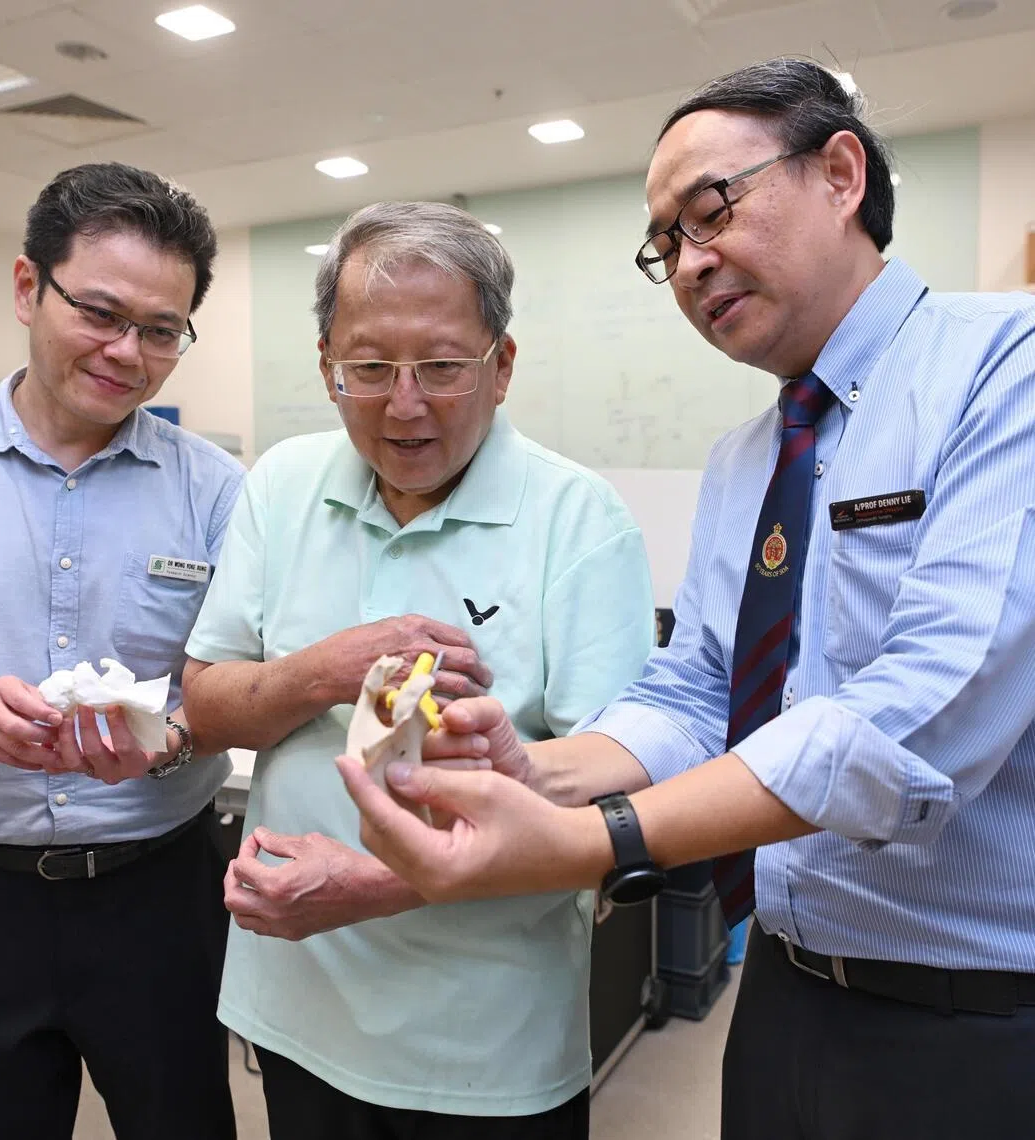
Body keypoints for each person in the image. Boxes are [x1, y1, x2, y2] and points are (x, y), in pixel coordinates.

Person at [339, 58, 1035, 1140]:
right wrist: (539, 773)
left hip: (979, 1024)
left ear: (841, 172)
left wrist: (595, 840)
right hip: (789, 992)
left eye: (711, 210)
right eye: (665, 244)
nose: (690, 263)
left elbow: (921, 719)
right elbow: (701, 685)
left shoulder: (1006, 369)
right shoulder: (747, 458)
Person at [182, 201, 654, 1139]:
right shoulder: (280, 485)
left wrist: (380, 882)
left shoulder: (580, 520)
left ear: (502, 366)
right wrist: (326, 671)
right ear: (327, 368)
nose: (404, 403)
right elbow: (206, 706)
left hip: (485, 1036)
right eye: (369, 367)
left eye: (442, 366)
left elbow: (615, 797)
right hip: (298, 1002)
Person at [0, 162, 244, 1139]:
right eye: (98, 311)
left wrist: (170, 735)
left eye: (162, 330)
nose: (126, 351)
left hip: (159, 891)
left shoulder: (218, 492)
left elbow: (237, 682)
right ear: (25, 289)